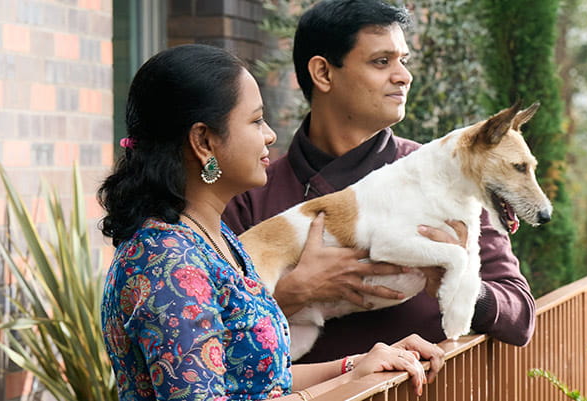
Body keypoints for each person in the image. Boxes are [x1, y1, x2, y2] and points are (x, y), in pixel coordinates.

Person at [98, 44, 445, 400]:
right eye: (255, 120)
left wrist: (356, 366)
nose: (270, 135)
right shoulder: (169, 262)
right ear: (204, 141)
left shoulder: (215, 238)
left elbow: (262, 381)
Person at [223, 0, 536, 364]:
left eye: (404, 60)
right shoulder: (251, 194)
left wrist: (460, 286)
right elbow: (213, 332)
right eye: (381, 62)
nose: (404, 76)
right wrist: (296, 292)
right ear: (323, 73)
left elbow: (521, 317)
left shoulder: (450, 176)